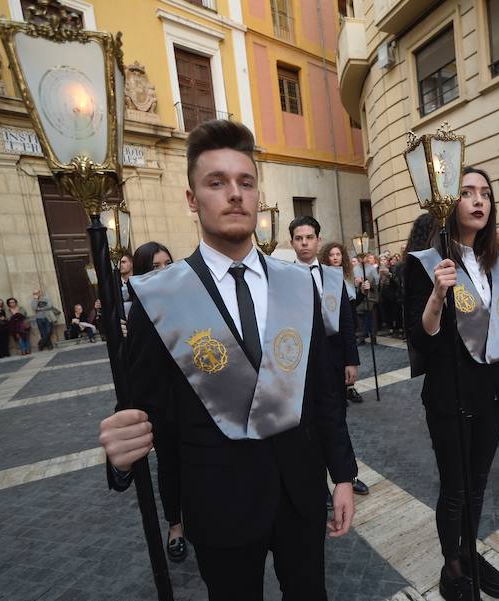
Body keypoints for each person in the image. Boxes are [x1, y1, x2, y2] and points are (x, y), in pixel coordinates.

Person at [97, 119, 355, 600]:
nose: (234, 194)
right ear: (192, 199)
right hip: (219, 502)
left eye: (246, 182)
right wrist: (120, 457)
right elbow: (140, 409)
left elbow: (324, 393)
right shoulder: (161, 298)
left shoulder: (299, 285)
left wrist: (342, 475)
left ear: (258, 197)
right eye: (216, 183)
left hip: (300, 492)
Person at [404, 168, 499, 599]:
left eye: (486, 194)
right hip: (448, 392)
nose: (479, 201)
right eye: (468, 192)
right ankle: (453, 565)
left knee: (479, 482)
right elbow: (420, 337)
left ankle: (470, 550)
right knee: (455, 488)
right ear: (450, 203)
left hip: (490, 390)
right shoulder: (428, 262)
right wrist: (437, 294)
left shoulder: (497, 262)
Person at [290, 216, 369, 498]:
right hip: (303, 366)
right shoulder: (286, 278)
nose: (304, 243)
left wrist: (351, 360)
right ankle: (319, 485)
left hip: (334, 361)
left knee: (337, 419)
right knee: (309, 424)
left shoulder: (332, 276)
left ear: (318, 240)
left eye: (309, 237)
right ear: (292, 243)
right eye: (299, 239)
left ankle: (347, 475)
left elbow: (346, 320)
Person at [128, 240, 188, 561]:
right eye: (155, 267)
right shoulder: (140, 313)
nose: (163, 271)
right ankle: (175, 526)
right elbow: (137, 370)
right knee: (169, 468)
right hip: (163, 409)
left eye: (168, 264)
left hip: (195, 403)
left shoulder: (186, 304)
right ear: (141, 273)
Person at [320, 242, 366, 404]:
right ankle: (342, 388)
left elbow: (353, 302)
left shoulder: (347, 276)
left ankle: (350, 387)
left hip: (350, 321)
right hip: (335, 324)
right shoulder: (325, 276)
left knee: (349, 352)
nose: (335, 258)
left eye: (338, 254)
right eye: (332, 255)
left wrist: (362, 291)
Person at [118, 251, 134, 316]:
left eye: (123, 262)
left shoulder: (139, 281)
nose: (120, 265)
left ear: (132, 263)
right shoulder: (114, 283)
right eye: (120, 262)